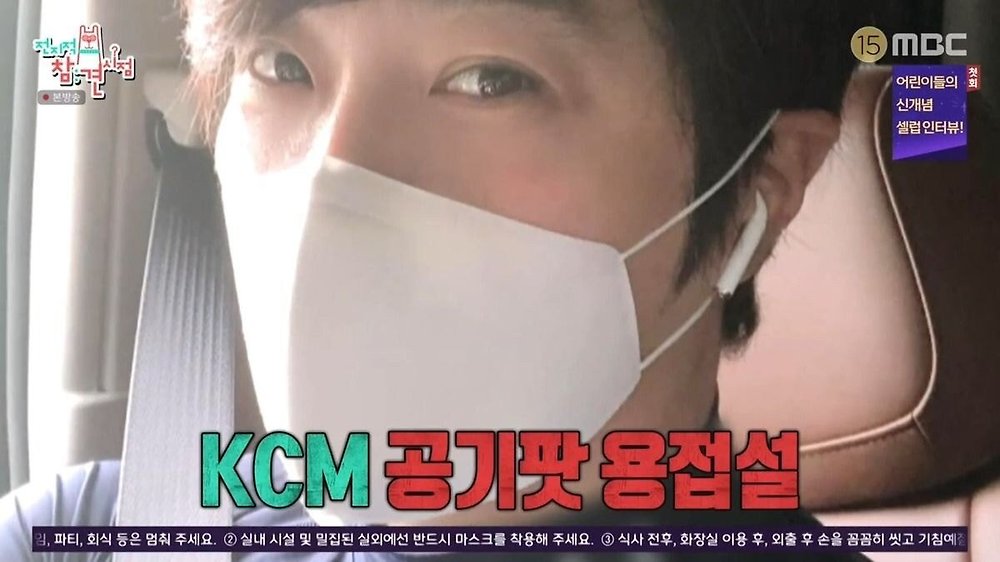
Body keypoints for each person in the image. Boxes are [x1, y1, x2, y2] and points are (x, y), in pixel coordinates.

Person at [2, 1, 880, 560]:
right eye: (281, 67)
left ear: (759, 186)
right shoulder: (90, 527)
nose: (333, 175)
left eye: (491, 80)